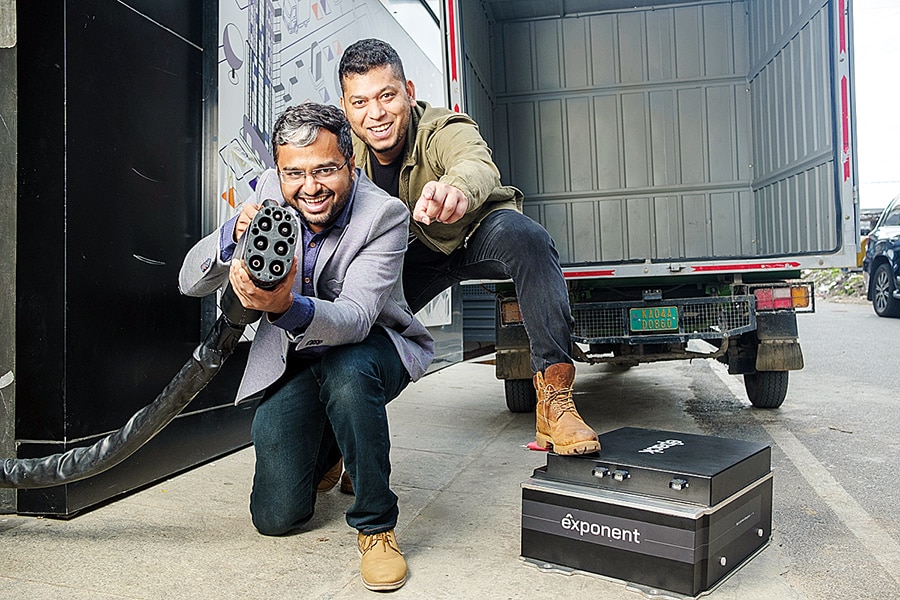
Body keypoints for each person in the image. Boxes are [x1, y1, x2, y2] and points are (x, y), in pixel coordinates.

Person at [178, 102, 433, 592]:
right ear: (278, 170)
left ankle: (377, 526)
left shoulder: (385, 214)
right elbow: (189, 280)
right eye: (294, 173)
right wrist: (230, 237)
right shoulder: (272, 194)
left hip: (373, 348)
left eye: (325, 170)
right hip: (296, 359)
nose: (309, 187)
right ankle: (334, 445)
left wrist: (281, 307)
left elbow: (358, 319)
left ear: (350, 164)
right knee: (275, 517)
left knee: (348, 372)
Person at [338, 38, 600, 455]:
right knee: (357, 321)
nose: (376, 114)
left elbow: (475, 163)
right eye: (361, 102)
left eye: (387, 96)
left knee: (530, 240)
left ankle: (554, 401)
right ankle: (351, 438)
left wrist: (455, 189)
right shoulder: (344, 155)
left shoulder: (442, 127)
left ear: (408, 91)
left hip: (475, 231)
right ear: (345, 106)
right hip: (411, 253)